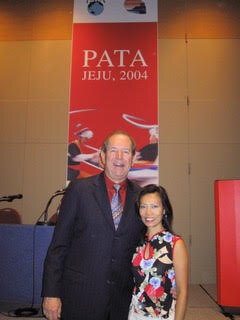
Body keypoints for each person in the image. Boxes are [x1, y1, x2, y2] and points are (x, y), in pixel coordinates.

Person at [42, 130, 144, 320]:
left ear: (132, 159)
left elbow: (146, 247)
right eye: (113, 151)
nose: (119, 157)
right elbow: (59, 245)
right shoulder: (79, 190)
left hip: (122, 299)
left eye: (126, 151)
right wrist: (51, 293)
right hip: (81, 296)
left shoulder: (141, 197)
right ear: (102, 156)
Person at [129, 184, 188, 320]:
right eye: (143, 207)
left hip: (163, 315)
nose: (148, 213)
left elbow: (183, 292)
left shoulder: (175, 244)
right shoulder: (136, 242)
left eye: (154, 206)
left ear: (164, 210)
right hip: (135, 313)